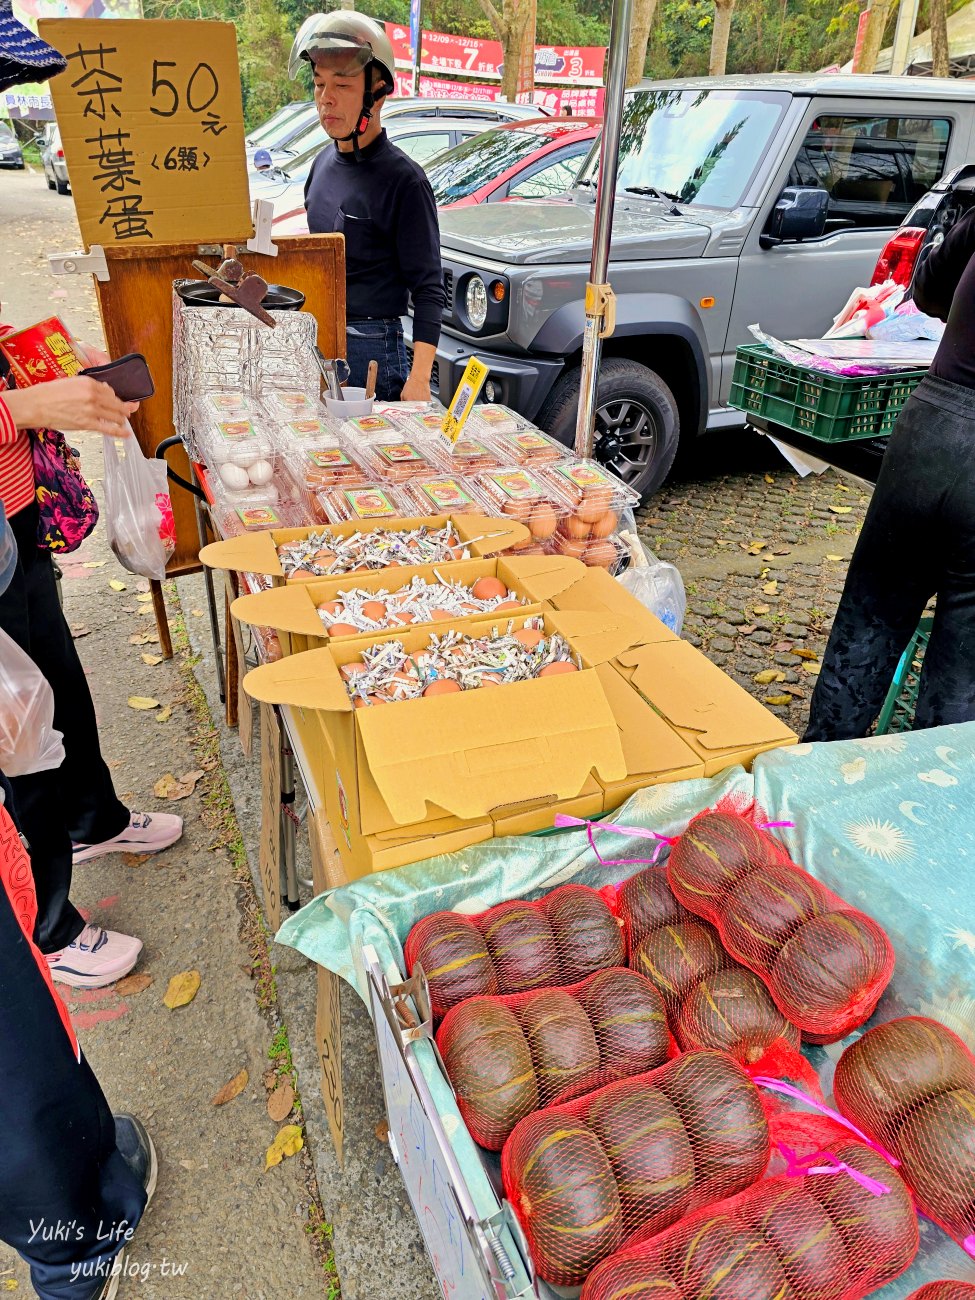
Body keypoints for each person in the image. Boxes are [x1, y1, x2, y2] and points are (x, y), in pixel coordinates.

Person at [0, 335, 182, 986]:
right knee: (20, 738)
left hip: (17, 522)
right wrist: (20, 410)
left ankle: (94, 821)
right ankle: (47, 928)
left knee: (60, 689)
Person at [804, 205, 975, 740]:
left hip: (933, 426)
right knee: (962, 670)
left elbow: (927, 292)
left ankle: (816, 775)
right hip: (945, 423)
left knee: (868, 619)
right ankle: (922, 798)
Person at [293, 12, 446, 403]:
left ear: (377, 90)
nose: (325, 97)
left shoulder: (404, 181)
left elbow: (429, 289)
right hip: (320, 342)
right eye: (319, 83)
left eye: (342, 85)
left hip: (376, 348)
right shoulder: (321, 166)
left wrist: (418, 380)